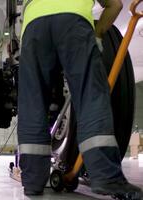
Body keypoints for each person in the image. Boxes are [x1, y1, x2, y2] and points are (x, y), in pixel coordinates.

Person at [17, 0, 143, 198]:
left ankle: (32, 181)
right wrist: (98, 33)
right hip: (73, 21)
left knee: (32, 103)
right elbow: (116, 5)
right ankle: (105, 176)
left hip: (34, 25)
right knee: (90, 96)